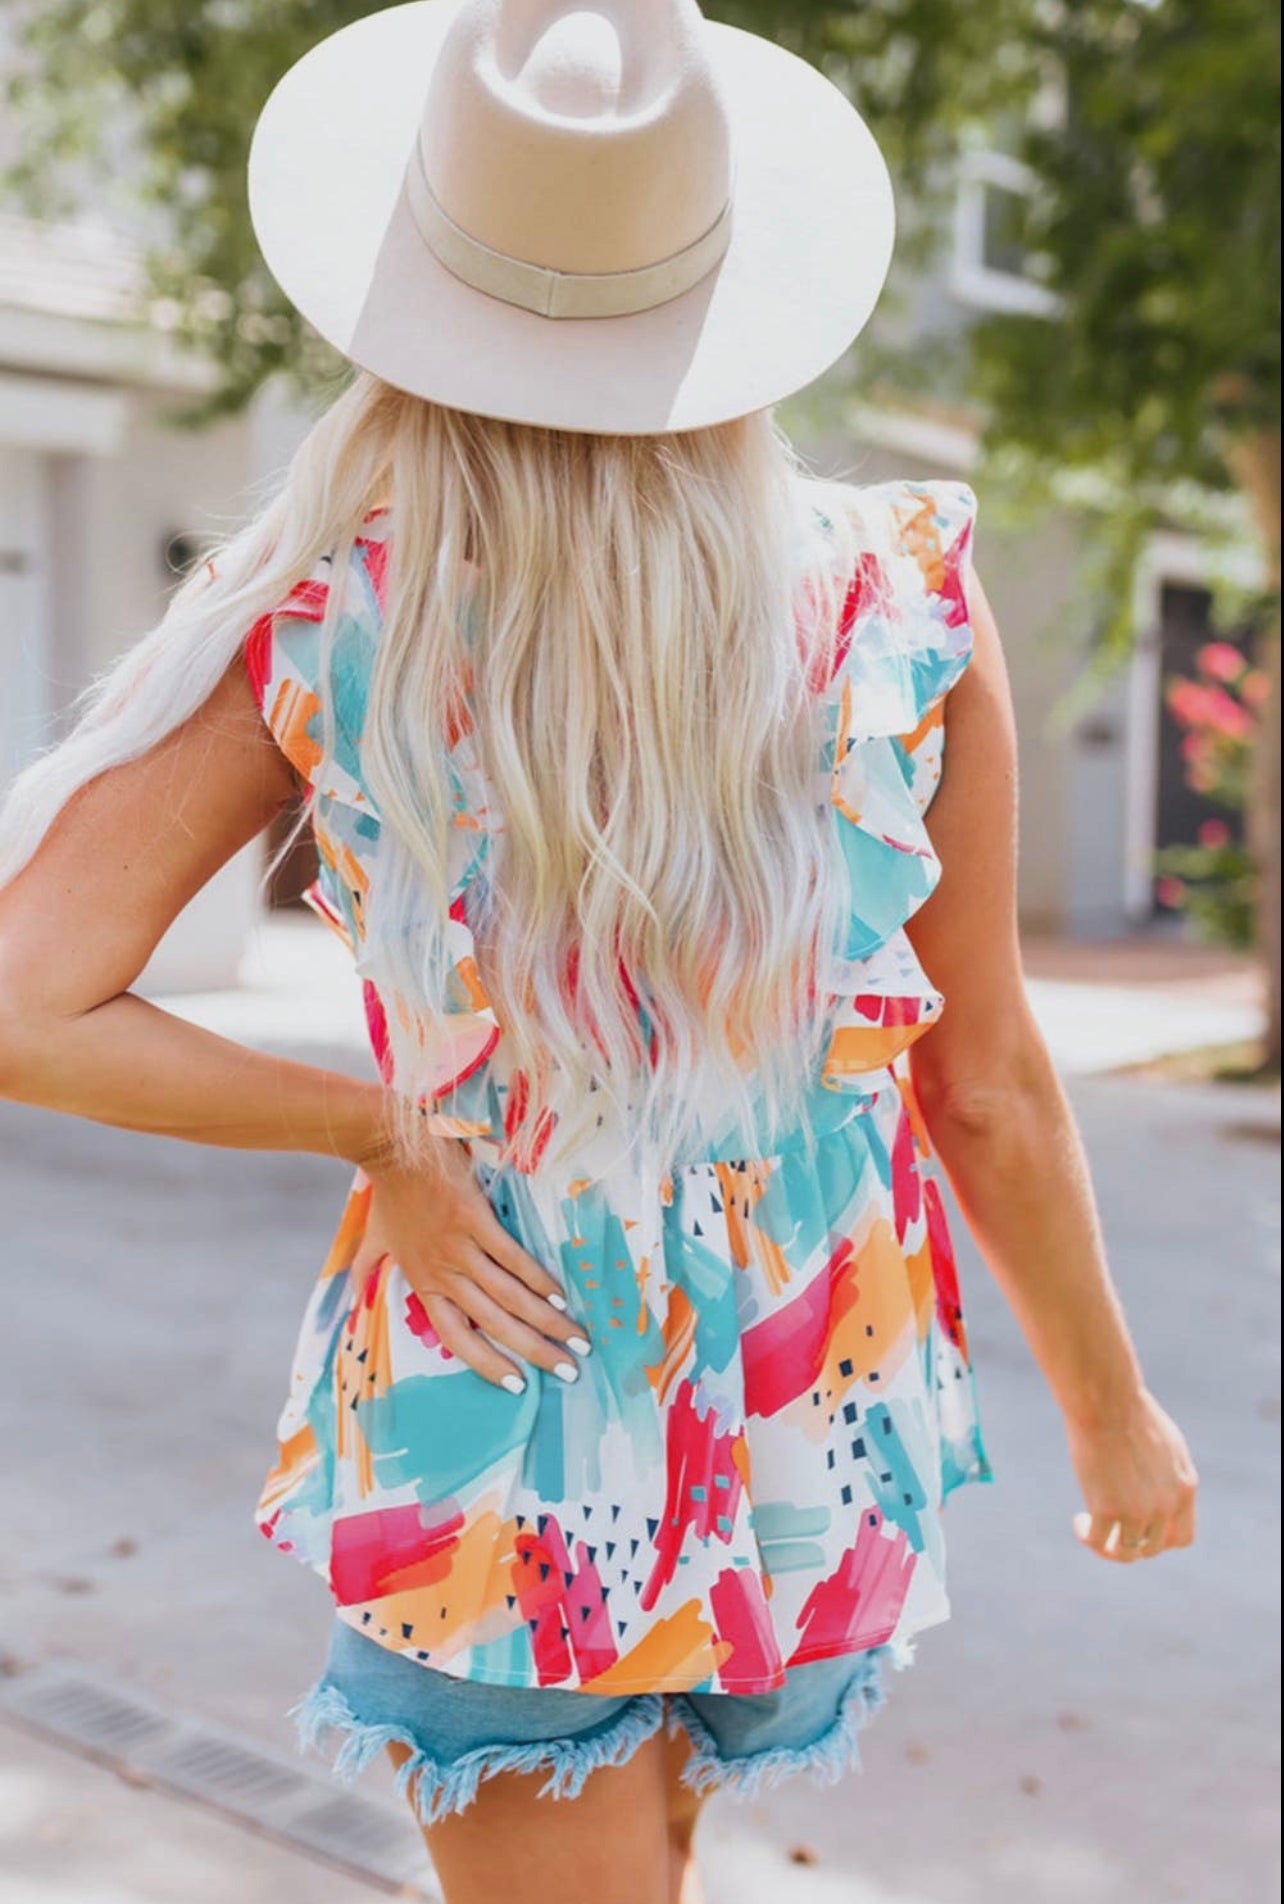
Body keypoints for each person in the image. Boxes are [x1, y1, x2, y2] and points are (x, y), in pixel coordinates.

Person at [0, 4, 1199, 1901]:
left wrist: (381, 1134)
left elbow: (26, 1006)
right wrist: (1114, 1415)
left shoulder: (335, 612)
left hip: (511, 1398)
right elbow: (987, 1085)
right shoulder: (903, 593)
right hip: (817, 1395)